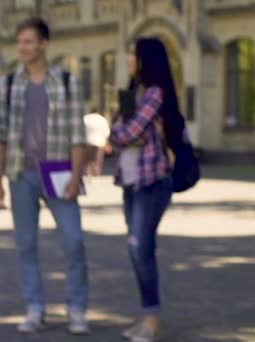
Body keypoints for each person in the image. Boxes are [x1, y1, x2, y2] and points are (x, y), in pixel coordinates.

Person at [0, 17, 89, 334]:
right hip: (20, 174)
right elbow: (2, 136)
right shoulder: (9, 84)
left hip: (59, 171)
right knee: (25, 246)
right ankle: (34, 308)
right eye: (19, 42)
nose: (22, 48)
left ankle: (77, 310)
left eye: (28, 42)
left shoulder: (66, 82)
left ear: (43, 45)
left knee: (74, 241)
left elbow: (78, 135)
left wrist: (77, 178)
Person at [111, 38, 187, 342]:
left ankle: (151, 320)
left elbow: (125, 132)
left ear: (145, 59)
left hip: (152, 181)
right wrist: (123, 135)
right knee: (139, 249)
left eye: (132, 53)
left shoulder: (155, 93)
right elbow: (117, 134)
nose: (128, 58)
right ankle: (147, 316)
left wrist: (124, 135)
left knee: (138, 247)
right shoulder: (132, 94)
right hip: (130, 181)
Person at [84, 107, 111, 177]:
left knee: (89, 159)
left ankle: (89, 172)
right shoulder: (102, 119)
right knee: (98, 161)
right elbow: (107, 132)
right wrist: (107, 143)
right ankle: (97, 173)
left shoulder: (86, 118)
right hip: (100, 142)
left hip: (88, 141)